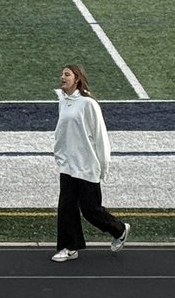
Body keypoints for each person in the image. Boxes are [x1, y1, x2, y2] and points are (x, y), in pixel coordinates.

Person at [52, 65, 129, 262]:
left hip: (87, 165)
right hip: (68, 166)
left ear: (77, 79)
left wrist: (104, 165)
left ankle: (119, 229)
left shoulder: (88, 104)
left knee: (91, 209)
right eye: (62, 74)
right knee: (66, 207)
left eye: (67, 74)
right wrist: (60, 156)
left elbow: (100, 137)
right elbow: (62, 133)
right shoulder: (63, 102)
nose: (62, 77)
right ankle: (70, 247)